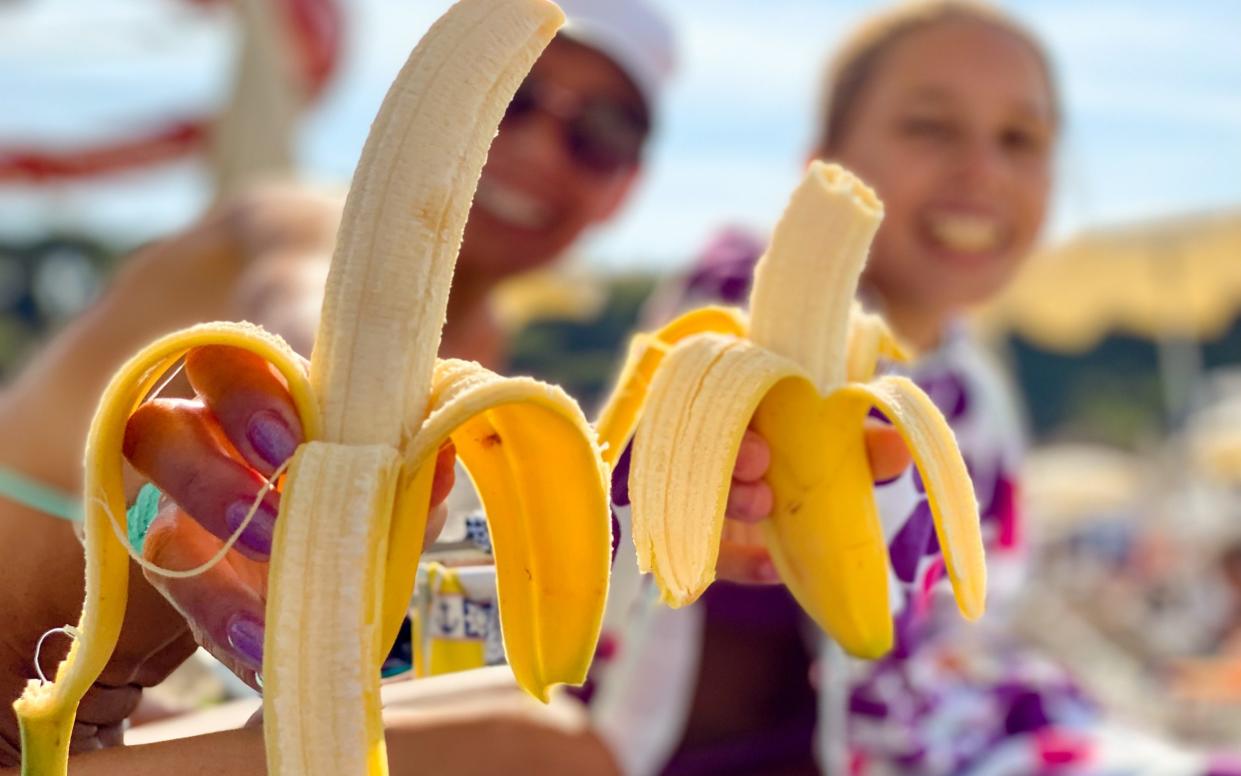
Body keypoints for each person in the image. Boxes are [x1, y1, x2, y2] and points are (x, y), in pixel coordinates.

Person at [0, 0, 676, 766]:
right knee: (541, 755)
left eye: (600, 135)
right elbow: (302, 296)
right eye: (511, 98)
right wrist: (317, 380)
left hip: (101, 717)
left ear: (624, 187)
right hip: (19, 665)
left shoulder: (487, 384)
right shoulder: (292, 220)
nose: (539, 149)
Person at [587, 3, 1240, 775]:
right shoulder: (737, 328)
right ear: (822, 166)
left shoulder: (969, 382)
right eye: (929, 127)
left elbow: (970, 637)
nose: (983, 169)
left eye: (1020, 140)